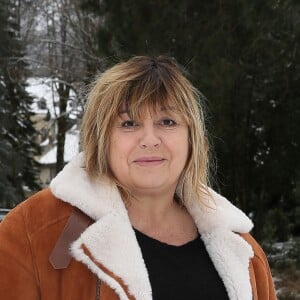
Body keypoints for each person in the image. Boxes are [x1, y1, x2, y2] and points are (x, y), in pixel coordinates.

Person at [0, 56, 276, 300]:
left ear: (191, 138)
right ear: (101, 138)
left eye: (167, 122)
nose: (150, 140)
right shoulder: (33, 233)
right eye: (129, 124)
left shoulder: (241, 250)